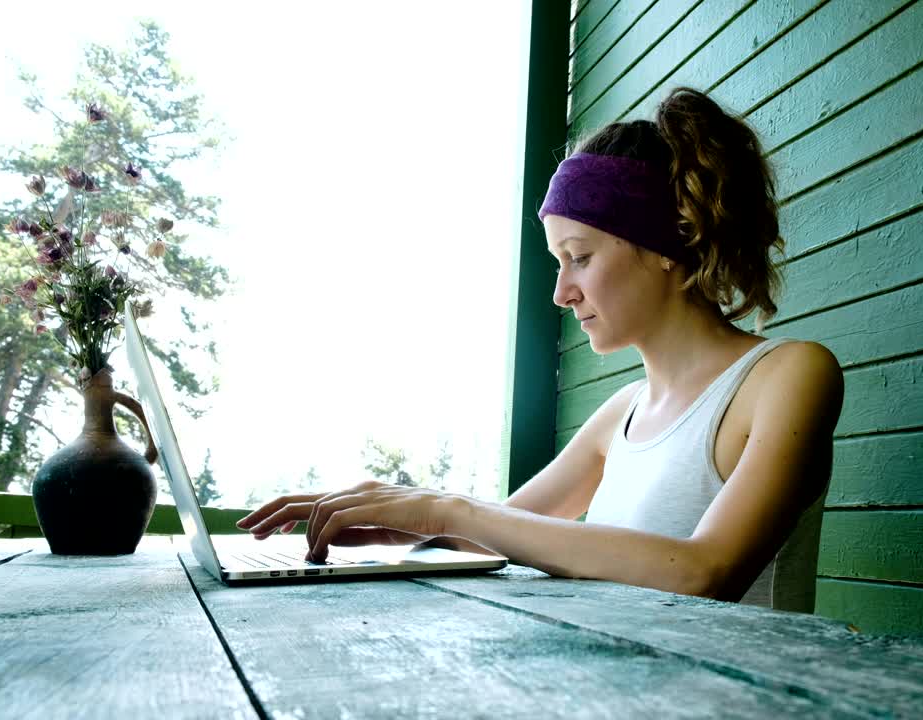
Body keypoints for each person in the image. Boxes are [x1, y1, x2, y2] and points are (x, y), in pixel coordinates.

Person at [236, 86, 844, 611]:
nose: (561, 292)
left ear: (668, 244)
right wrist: (389, 520)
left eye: (579, 257)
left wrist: (446, 509)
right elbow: (496, 532)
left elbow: (704, 572)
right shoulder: (621, 413)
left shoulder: (789, 375)